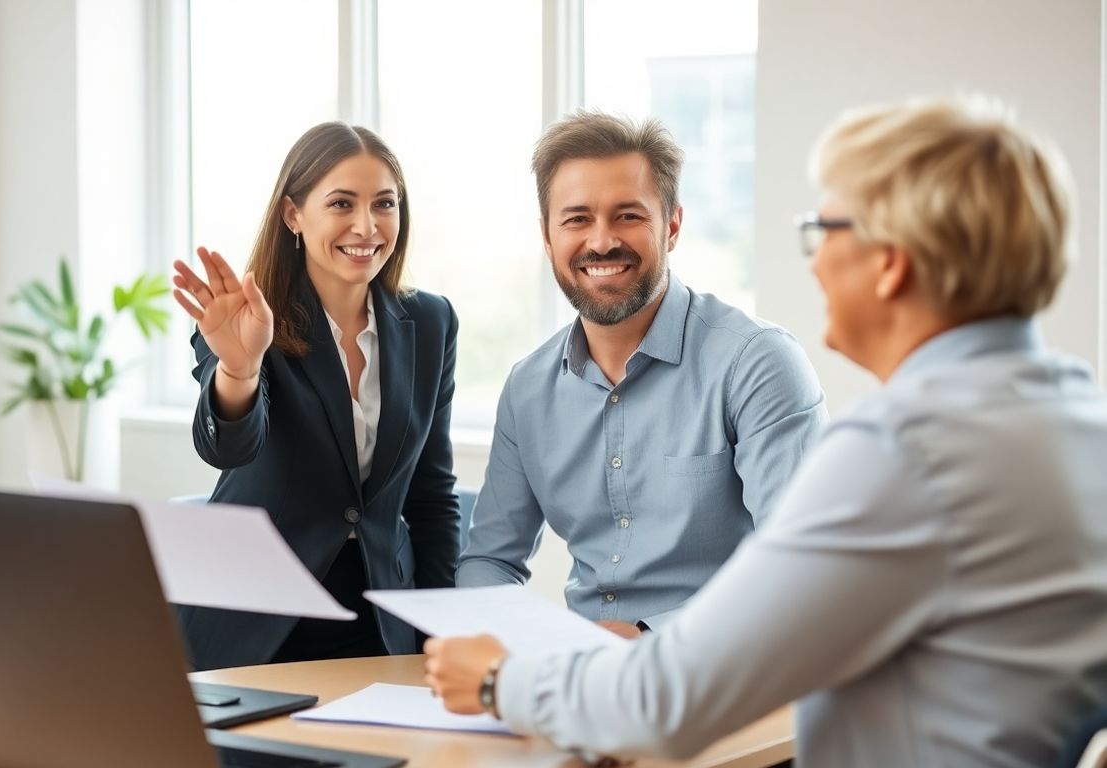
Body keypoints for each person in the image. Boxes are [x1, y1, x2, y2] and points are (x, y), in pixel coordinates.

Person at [425, 97, 1107, 768]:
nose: (813, 263)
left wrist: (496, 682)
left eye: (825, 230)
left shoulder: (903, 450)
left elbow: (669, 700)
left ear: (890, 260)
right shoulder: (1082, 423)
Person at [456, 111, 826, 636]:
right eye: (577, 219)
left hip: (726, 672)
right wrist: (498, 638)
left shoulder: (757, 363)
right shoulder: (527, 389)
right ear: (547, 236)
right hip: (579, 680)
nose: (601, 241)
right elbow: (490, 559)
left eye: (627, 215)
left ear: (671, 225)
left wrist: (648, 636)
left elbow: (798, 566)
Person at [170, 122, 460, 670]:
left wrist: (438, 633)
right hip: (252, 628)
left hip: (380, 626)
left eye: (384, 204)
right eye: (342, 204)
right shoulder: (245, 315)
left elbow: (431, 495)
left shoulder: (431, 322)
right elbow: (228, 448)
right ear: (293, 215)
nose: (367, 225)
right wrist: (240, 368)